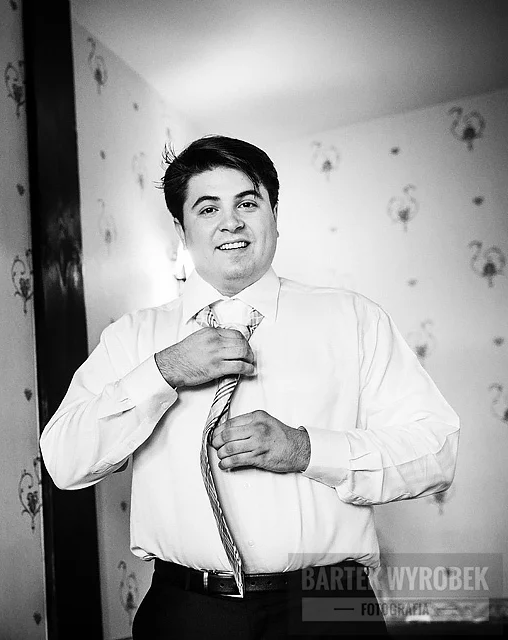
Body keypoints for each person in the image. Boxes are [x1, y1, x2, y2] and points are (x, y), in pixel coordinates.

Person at [39, 135, 460, 638]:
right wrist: (163, 371)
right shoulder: (133, 337)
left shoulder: (353, 318)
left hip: (330, 600)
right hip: (185, 610)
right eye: (207, 208)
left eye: (247, 203)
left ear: (274, 216)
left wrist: (304, 449)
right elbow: (64, 461)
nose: (230, 222)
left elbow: (437, 450)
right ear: (182, 230)